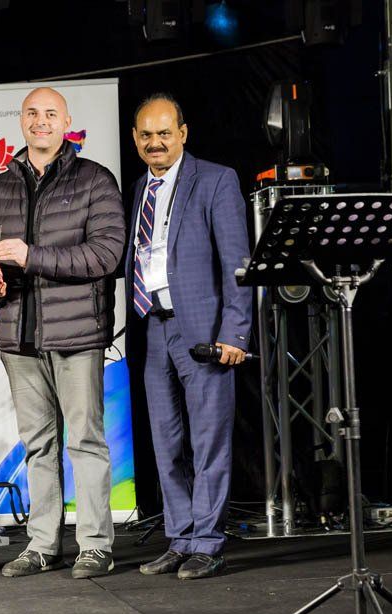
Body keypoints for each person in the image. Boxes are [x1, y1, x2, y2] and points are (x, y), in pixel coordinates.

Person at [0, 87, 126, 579]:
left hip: (77, 334)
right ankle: (42, 544)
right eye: (33, 113)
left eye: (51, 114)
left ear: (67, 123)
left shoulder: (94, 180)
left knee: (84, 440)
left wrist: (32, 255)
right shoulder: (0, 187)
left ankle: (96, 545)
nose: (41, 122)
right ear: (21, 120)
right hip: (19, 335)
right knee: (38, 444)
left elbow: (106, 256)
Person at [125, 93, 252, 580]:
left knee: (208, 441)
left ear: (183, 133)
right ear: (136, 140)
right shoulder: (140, 187)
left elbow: (237, 265)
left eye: (164, 133)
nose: (155, 143)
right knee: (166, 442)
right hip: (154, 326)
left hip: (202, 329)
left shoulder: (217, 181)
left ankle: (207, 542)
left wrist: (235, 332)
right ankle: (179, 538)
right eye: (146, 135)